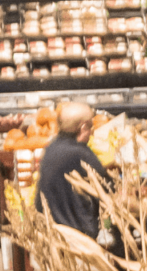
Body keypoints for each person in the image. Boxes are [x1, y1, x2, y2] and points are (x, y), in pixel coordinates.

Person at [35, 101, 109, 242]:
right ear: (83, 128)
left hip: (49, 233)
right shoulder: (82, 154)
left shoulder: (51, 148)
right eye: (90, 127)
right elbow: (107, 195)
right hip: (79, 239)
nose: (92, 132)